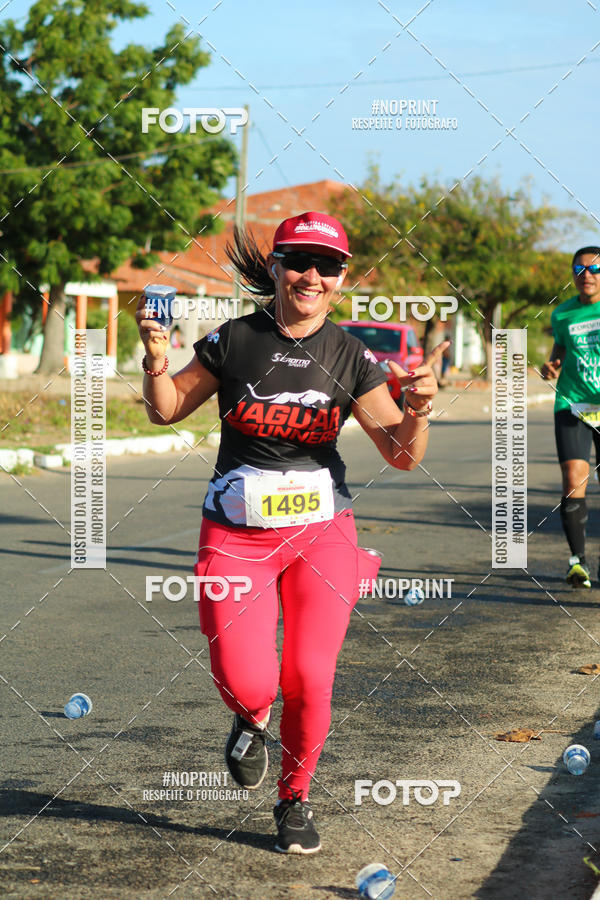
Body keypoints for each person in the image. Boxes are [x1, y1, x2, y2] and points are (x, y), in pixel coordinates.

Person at [136, 211, 447, 854]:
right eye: (299, 261)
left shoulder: (351, 356)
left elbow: (400, 454)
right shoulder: (235, 339)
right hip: (236, 534)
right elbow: (166, 411)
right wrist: (156, 362)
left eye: (326, 266)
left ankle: (295, 799)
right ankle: (250, 717)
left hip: (320, 533)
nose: (312, 276)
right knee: (248, 681)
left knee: (309, 676)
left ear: (342, 278)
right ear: (276, 267)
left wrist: (417, 410)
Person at [541, 245, 600, 588]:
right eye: (579, 270)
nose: (586, 275)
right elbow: (560, 349)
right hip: (573, 403)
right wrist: (552, 365)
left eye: (594, 269)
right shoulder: (562, 314)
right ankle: (578, 563)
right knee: (573, 478)